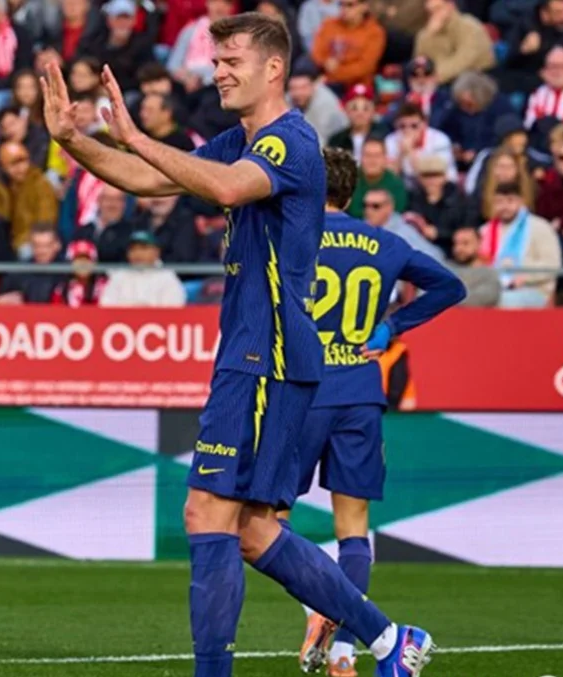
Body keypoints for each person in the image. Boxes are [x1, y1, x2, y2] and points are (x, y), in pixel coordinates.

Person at [40, 12, 433, 677]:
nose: (218, 72)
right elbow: (147, 179)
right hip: (261, 351)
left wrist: (135, 133)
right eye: (216, 61)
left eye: (232, 61)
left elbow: (222, 187)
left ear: (274, 68)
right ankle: (391, 639)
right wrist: (73, 139)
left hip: (266, 352)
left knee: (207, 512)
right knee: (252, 528)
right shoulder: (241, 141)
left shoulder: (291, 142)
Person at [278, 148, 465, 676]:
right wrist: (392, 328)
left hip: (303, 392)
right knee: (354, 526)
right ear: (352, 192)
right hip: (360, 392)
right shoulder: (385, 243)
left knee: (269, 522)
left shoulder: (293, 236)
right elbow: (451, 287)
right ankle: (343, 654)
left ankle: (318, 606)